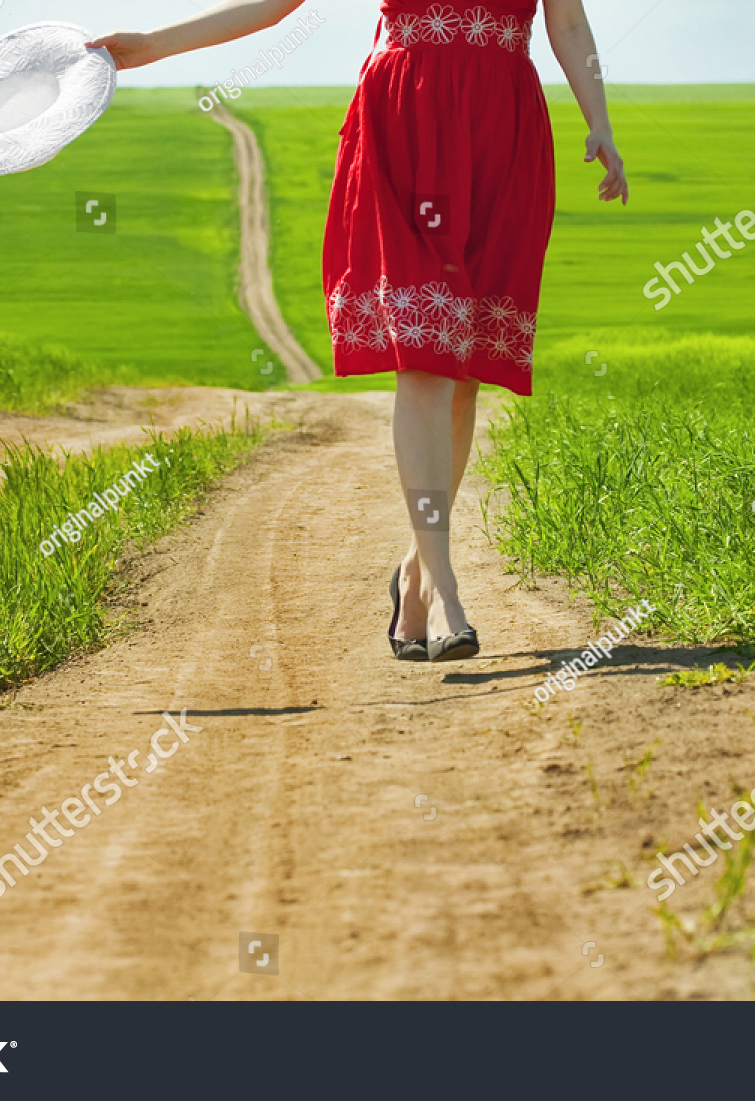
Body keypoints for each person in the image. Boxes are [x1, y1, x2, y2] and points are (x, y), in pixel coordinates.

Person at [88, 0, 627, 662]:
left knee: (462, 378)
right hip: (409, 124)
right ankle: (448, 593)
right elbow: (278, 3)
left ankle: (414, 575)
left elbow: (566, 22)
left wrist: (599, 122)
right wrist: (152, 43)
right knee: (426, 361)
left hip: (500, 131)